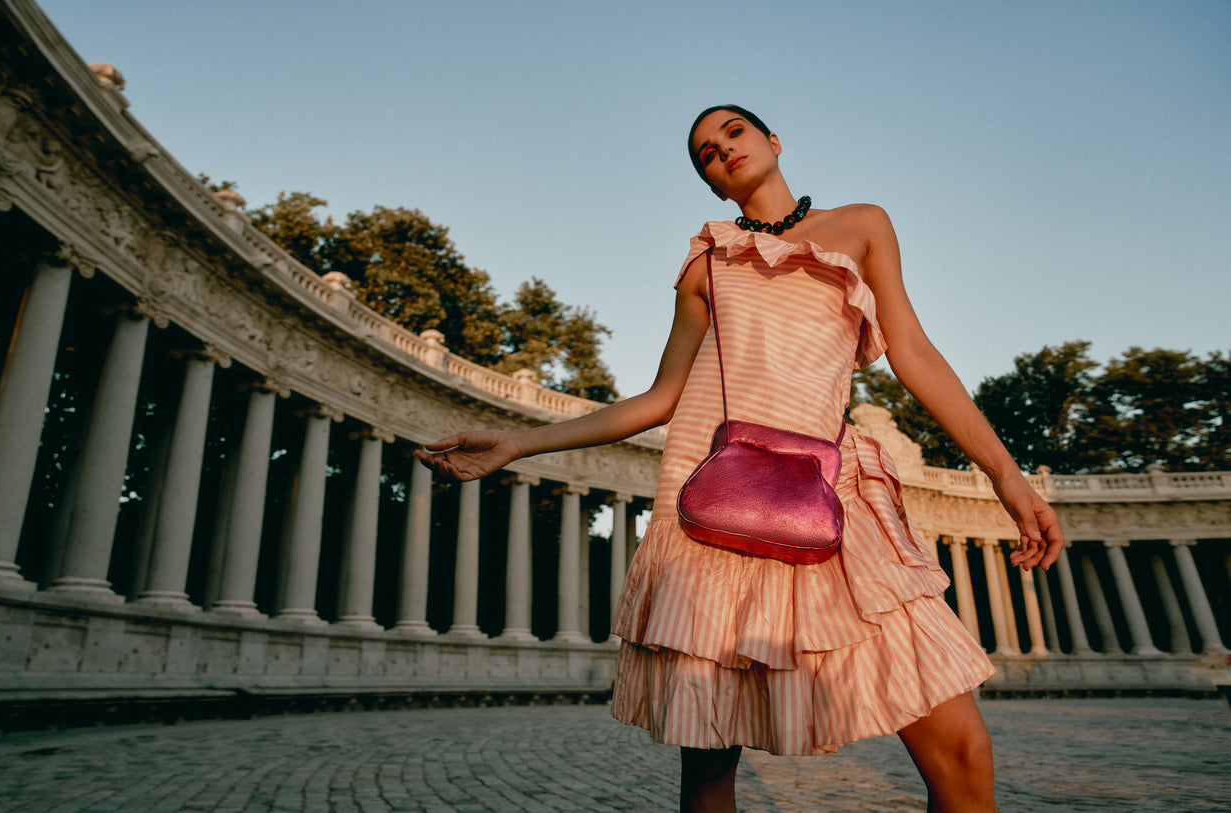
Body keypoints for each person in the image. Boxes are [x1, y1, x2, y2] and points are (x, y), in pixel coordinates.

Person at [414, 104, 1065, 813]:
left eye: (732, 132)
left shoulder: (862, 224)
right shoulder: (707, 259)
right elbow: (661, 396)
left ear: (771, 140)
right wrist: (518, 442)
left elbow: (912, 352)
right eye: (703, 153)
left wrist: (1003, 471)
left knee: (964, 754)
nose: (721, 150)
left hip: (831, 501)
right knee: (708, 773)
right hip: (714, 512)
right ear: (709, 183)